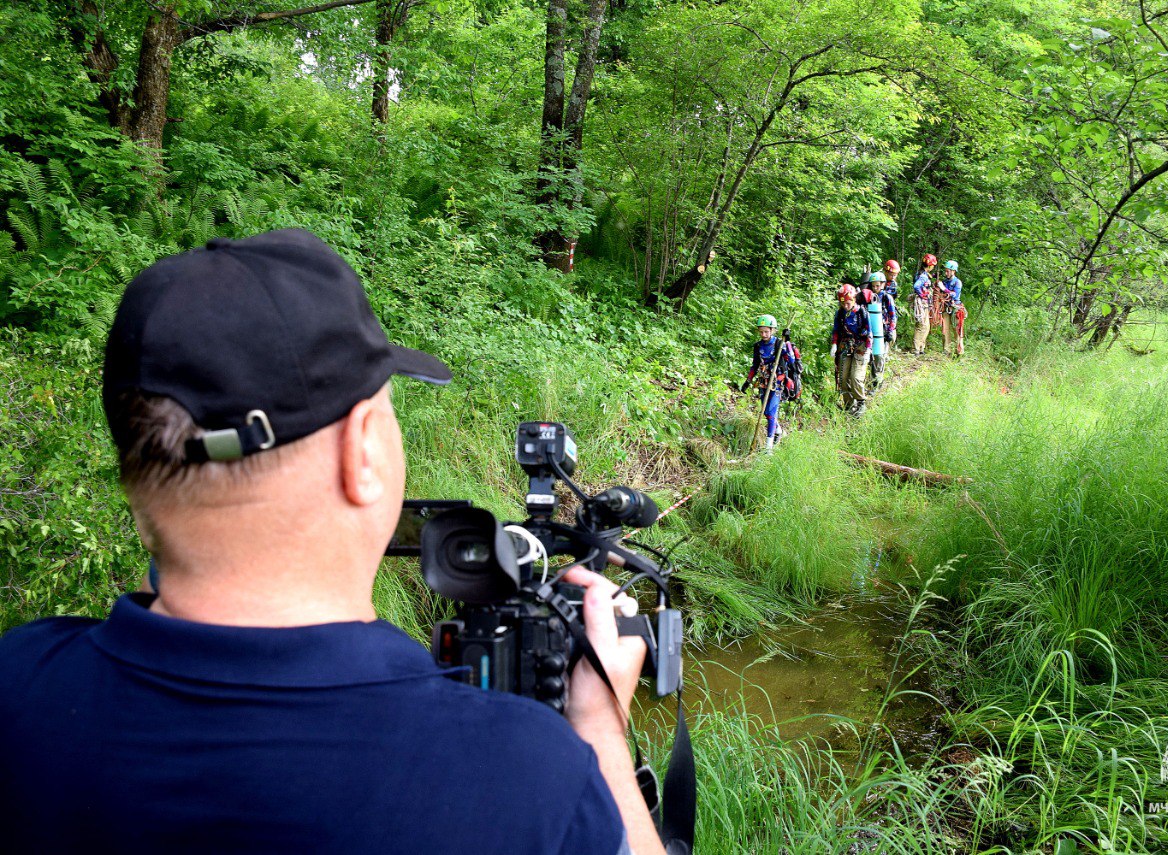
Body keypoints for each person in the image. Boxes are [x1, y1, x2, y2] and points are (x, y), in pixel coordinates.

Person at [0, 230, 661, 855]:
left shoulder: (21, 686)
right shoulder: (530, 777)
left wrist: (174, 540)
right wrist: (600, 725)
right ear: (362, 448)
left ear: (137, 474)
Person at [741, 314, 796, 451]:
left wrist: (787, 342)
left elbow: (791, 360)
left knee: (771, 413)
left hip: (777, 383)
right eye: (761, 331)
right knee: (766, 412)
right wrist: (748, 381)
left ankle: (768, 448)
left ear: (773, 330)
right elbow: (755, 365)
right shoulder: (758, 346)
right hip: (763, 382)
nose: (763, 334)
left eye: (766, 331)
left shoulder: (779, 344)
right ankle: (778, 430)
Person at [829, 283, 872, 417]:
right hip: (845, 346)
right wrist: (834, 344)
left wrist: (869, 350)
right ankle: (848, 404)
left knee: (855, 377)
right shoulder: (840, 313)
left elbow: (869, 332)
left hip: (861, 346)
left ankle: (860, 402)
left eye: (848, 303)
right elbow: (836, 330)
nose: (846, 306)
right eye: (843, 303)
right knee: (843, 377)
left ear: (853, 300)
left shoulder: (861, 312)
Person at [865, 272, 897, 394]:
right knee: (870, 356)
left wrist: (890, 331)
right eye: (873, 286)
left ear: (883, 285)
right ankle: (870, 380)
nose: (875, 288)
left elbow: (893, 316)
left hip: (884, 332)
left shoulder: (887, 298)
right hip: (872, 331)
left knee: (879, 357)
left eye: (877, 286)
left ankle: (876, 383)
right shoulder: (869, 297)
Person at [937, 260, 965, 356]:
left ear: (953, 271)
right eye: (945, 271)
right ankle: (946, 351)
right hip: (946, 308)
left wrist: (944, 289)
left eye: (948, 271)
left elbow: (955, 295)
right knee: (945, 330)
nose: (946, 273)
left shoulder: (958, 282)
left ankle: (959, 352)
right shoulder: (945, 281)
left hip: (955, 308)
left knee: (957, 330)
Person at [912, 254, 937, 355]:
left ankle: (921, 347)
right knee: (921, 324)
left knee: (926, 325)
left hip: (925, 303)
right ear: (930, 265)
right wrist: (922, 295)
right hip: (921, 303)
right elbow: (916, 286)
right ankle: (915, 348)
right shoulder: (923, 276)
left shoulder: (922, 274)